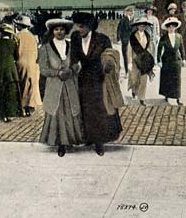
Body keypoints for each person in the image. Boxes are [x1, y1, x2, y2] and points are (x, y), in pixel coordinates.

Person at [70, 12, 122, 156]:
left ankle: (99, 142)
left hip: (99, 79)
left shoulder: (102, 39)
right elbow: (73, 58)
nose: (79, 29)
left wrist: (108, 66)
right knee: (85, 110)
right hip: (83, 79)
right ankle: (88, 138)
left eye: (82, 27)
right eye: (77, 26)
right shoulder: (75, 38)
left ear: (90, 26)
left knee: (99, 111)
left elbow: (110, 56)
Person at [39, 18, 83, 157]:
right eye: (56, 29)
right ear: (52, 31)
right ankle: (60, 144)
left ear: (66, 31)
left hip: (70, 85)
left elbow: (77, 64)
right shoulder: (45, 48)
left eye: (62, 29)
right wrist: (57, 73)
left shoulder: (72, 46)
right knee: (57, 113)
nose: (59, 32)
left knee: (71, 111)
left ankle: (70, 140)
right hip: (54, 86)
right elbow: (43, 69)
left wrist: (71, 70)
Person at [0, 23, 20, 123]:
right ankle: (9, 114)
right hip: (11, 71)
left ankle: (1, 114)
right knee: (10, 93)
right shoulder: (13, 43)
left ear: (1, 33)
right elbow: (16, 57)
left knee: (0, 92)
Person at [14, 15, 42, 116]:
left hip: (20, 63)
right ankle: (29, 107)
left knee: (20, 86)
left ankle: (21, 109)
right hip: (32, 64)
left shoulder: (16, 37)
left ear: (19, 26)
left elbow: (14, 51)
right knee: (30, 85)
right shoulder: (33, 37)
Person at [127, 16, 155, 105]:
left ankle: (142, 98)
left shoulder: (147, 35)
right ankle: (134, 90)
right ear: (137, 26)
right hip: (135, 60)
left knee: (143, 79)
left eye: (143, 26)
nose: (142, 27)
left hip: (144, 60)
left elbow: (150, 48)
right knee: (134, 78)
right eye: (140, 25)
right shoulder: (132, 37)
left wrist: (150, 59)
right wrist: (130, 62)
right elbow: (129, 50)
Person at [157, 17, 186, 105]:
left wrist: (183, 59)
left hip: (176, 61)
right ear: (167, 28)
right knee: (167, 79)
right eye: (169, 27)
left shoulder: (179, 36)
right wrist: (159, 61)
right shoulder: (163, 38)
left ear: (175, 27)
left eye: (173, 26)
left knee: (177, 80)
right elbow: (159, 49)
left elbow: (181, 48)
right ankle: (166, 95)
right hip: (166, 60)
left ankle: (177, 98)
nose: (171, 28)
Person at [117, 6, 135, 75]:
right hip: (125, 41)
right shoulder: (123, 20)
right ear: (127, 12)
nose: (132, 13)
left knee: (131, 56)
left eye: (133, 12)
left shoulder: (133, 20)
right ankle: (127, 72)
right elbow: (119, 30)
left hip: (132, 41)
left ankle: (131, 71)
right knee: (125, 56)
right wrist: (119, 39)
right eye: (131, 11)